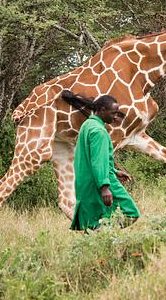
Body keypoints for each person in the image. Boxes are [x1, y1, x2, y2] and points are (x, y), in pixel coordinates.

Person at [62, 92, 140, 231]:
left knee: (94, 220)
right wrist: (104, 187)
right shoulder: (98, 131)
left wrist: (115, 171)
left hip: (87, 182)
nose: (115, 116)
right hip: (100, 181)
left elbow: (93, 157)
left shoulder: (88, 125)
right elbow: (98, 161)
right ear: (102, 110)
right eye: (113, 113)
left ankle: (100, 238)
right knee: (131, 213)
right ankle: (103, 234)